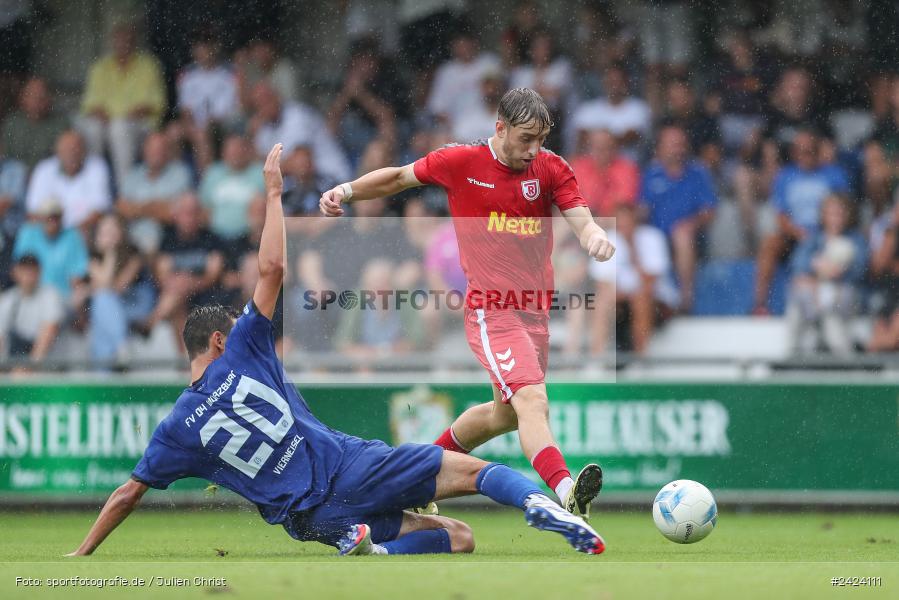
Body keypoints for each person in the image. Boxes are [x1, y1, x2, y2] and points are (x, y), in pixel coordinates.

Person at [65, 144, 606, 558]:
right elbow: (273, 268)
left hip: (314, 520)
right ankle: (541, 502)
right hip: (347, 464)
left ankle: (373, 549)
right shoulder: (244, 350)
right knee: (474, 479)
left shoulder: (178, 427)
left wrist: (81, 551)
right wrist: (274, 196)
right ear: (218, 341)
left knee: (457, 536)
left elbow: (127, 495)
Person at [320, 88, 616, 519]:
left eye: (541, 139)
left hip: (534, 311)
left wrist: (594, 237)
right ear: (500, 128)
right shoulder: (461, 162)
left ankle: (413, 478)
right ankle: (568, 491)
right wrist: (345, 190)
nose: (534, 150)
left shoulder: (551, 168)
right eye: (525, 139)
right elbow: (399, 178)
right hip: (491, 310)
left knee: (505, 415)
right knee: (532, 400)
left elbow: (580, 215)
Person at [77, 22, 166, 186]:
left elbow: (156, 103)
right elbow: (89, 104)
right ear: (112, 42)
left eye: (128, 39)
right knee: (91, 127)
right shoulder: (100, 67)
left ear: (135, 42)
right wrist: (105, 115)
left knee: (119, 128)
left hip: (139, 125)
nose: (123, 43)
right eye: (119, 39)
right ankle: (95, 184)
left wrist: (124, 116)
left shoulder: (149, 65)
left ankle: (124, 188)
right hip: (106, 123)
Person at [640, 125, 718, 312]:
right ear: (659, 148)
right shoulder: (651, 174)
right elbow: (641, 210)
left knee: (681, 235)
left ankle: (685, 300)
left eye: (681, 143)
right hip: (657, 237)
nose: (678, 148)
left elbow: (709, 210)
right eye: (672, 144)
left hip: (692, 239)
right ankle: (644, 301)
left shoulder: (698, 172)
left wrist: (691, 224)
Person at [785, 194, 865, 355]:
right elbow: (798, 264)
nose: (835, 218)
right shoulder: (814, 238)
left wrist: (838, 271)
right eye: (831, 213)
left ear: (847, 215)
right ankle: (793, 354)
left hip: (842, 296)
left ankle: (842, 356)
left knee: (829, 309)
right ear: (823, 215)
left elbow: (859, 270)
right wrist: (816, 266)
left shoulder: (856, 240)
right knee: (798, 298)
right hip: (814, 294)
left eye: (839, 213)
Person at [117, 131, 192, 255]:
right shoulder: (133, 175)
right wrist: (155, 207)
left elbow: (176, 214)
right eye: (152, 149)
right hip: (131, 238)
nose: (156, 153)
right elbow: (121, 208)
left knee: (149, 243)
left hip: (168, 239)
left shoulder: (180, 174)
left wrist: (137, 208)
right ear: (144, 151)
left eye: (160, 149)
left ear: (168, 152)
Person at [25, 130, 112, 231]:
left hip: (84, 232)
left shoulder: (97, 166)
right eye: (65, 150)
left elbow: (100, 210)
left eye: (75, 149)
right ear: (56, 151)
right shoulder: (44, 169)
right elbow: (33, 212)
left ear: (84, 151)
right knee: (27, 230)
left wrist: (71, 235)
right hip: (49, 233)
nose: (71, 154)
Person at [0, 254, 64, 367]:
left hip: (45, 369)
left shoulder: (50, 295)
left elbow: (48, 334)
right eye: (25, 270)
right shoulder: (7, 300)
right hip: (13, 368)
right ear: (15, 272)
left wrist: (28, 370)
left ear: (39, 272)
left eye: (32, 270)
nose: (28, 275)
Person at [1, 77, 69, 171]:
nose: (37, 101)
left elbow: (64, 159)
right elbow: (5, 156)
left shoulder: (61, 123)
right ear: (22, 98)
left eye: (41, 96)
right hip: (14, 177)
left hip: (47, 176)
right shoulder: (12, 122)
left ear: (49, 98)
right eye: (32, 96)